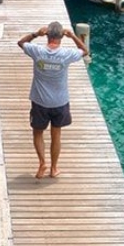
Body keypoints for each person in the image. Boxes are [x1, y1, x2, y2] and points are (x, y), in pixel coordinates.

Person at [17, 21, 88, 179]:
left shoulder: (37, 51)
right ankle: (54, 168)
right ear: (62, 36)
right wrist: (73, 36)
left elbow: (21, 43)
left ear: (47, 35)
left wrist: (36, 34)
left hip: (39, 102)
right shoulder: (66, 55)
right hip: (60, 102)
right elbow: (85, 50)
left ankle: (42, 162)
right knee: (56, 135)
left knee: (38, 134)